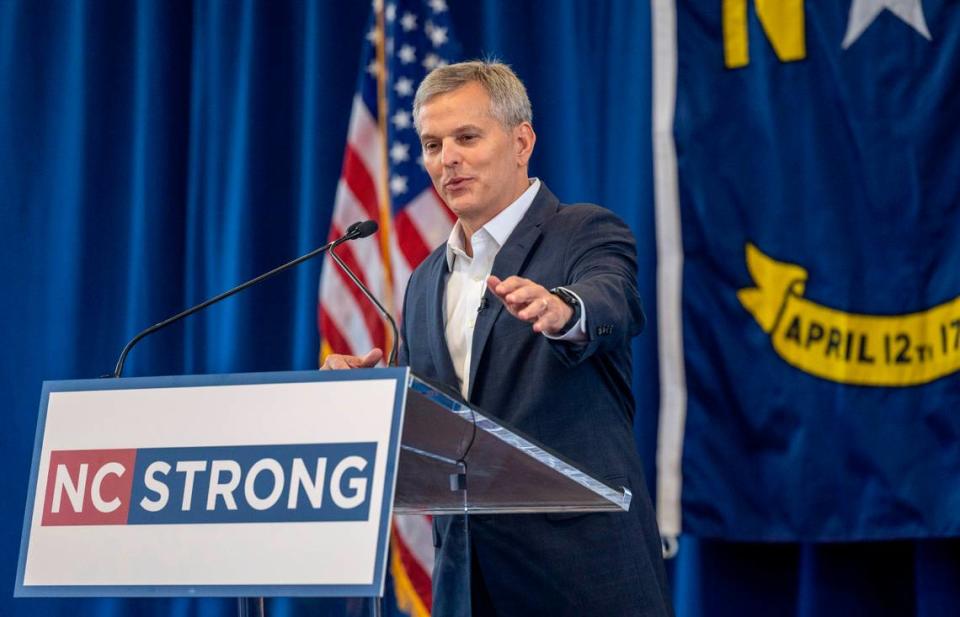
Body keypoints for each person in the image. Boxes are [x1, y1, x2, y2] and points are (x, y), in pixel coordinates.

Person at [323, 61, 672, 617]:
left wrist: (565, 310)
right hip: (467, 584)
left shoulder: (583, 231)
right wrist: (370, 394)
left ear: (521, 141)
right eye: (433, 144)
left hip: (580, 578)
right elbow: (427, 415)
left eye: (466, 137)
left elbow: (613, 298)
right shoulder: (424, 279)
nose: (447, 160)